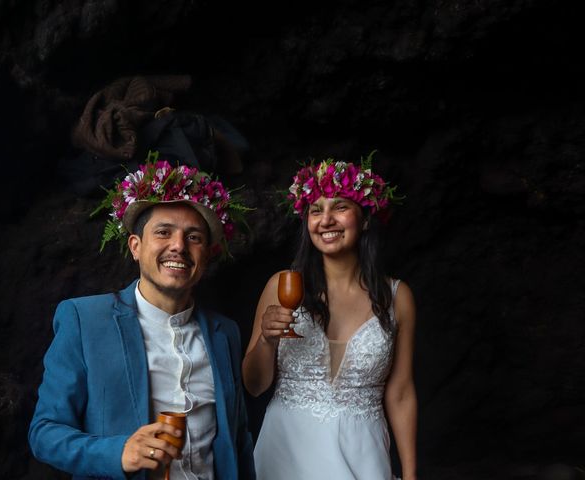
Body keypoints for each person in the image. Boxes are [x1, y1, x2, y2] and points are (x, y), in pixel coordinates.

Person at [29, 154, 256, 480]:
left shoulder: (226, 333)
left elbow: (238, 439)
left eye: (194, 237)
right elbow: (45, 433)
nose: (178, 246)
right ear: (135, 246)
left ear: (206, 254)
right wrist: (118, 452)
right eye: (163, 232)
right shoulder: (84, 319)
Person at [242, 157, 417, 480]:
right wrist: (267, 340)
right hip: (287, 450)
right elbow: (254, 386)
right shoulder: (281, 286)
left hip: (362, 452)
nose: (326, 220)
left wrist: (409, 474)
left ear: (365, 219)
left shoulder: (397, 296)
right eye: (315, 210)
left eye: (340, 207)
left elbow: (401, 391)